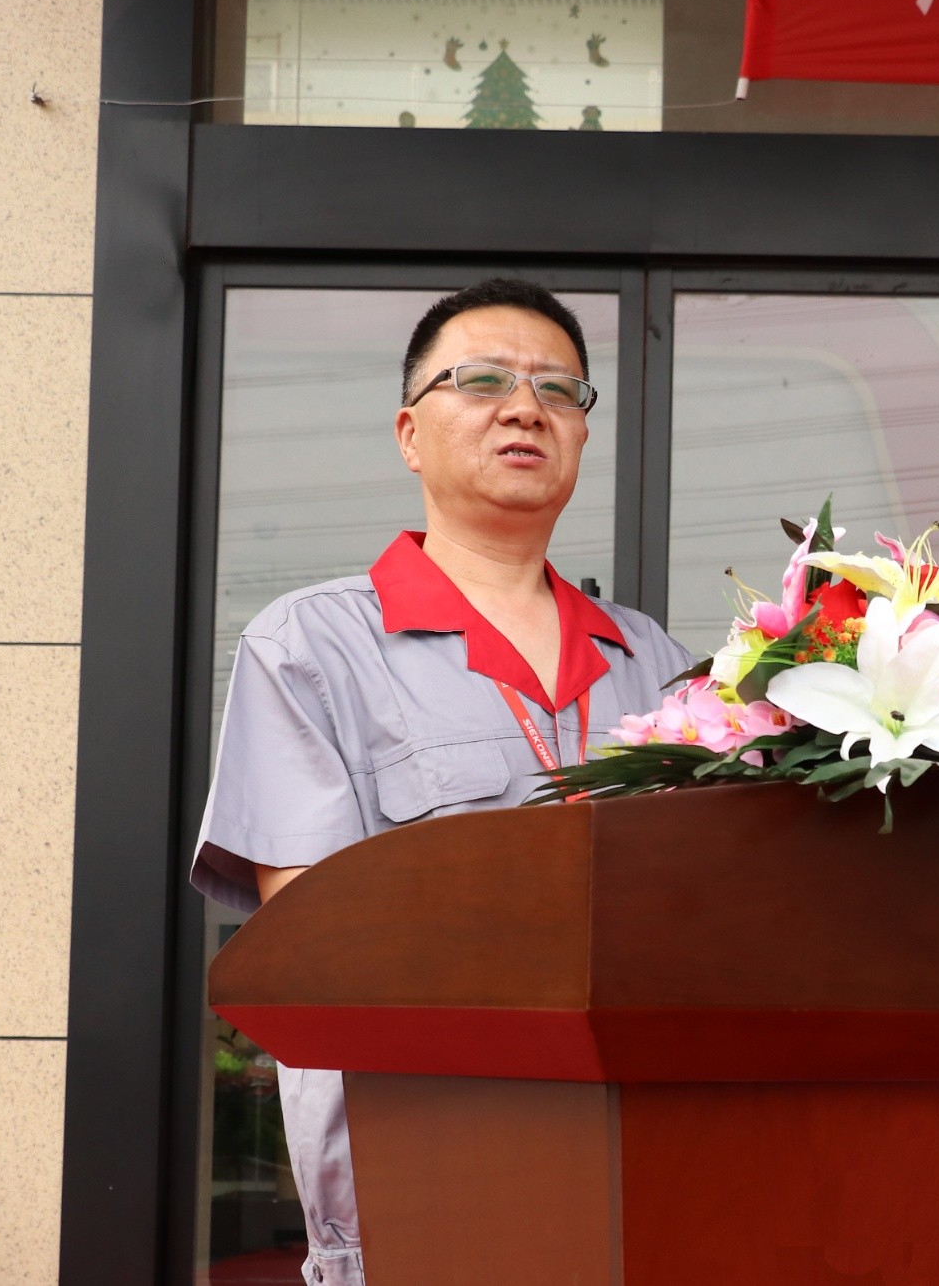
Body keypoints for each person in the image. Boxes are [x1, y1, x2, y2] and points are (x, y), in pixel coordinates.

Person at [191, 278, 694, 1286]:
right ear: (410, 433)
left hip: (643, 1189)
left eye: (559, 390)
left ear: (581, 435)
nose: (526, 408)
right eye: (484, 380)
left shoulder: (658, 663)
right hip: (421, 1190)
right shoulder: (311, 646)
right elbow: (325, 937)